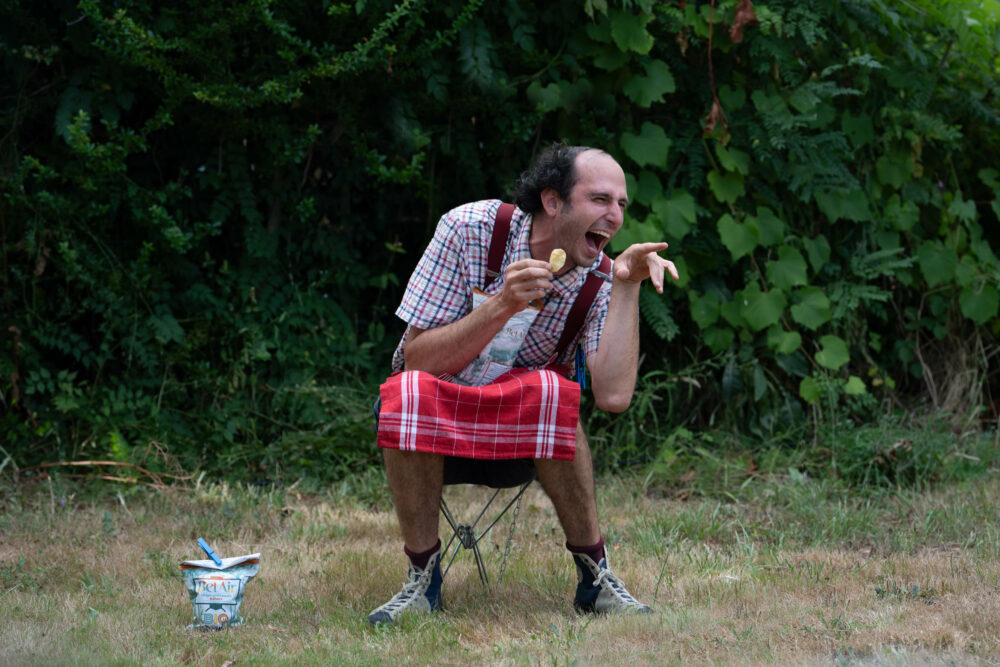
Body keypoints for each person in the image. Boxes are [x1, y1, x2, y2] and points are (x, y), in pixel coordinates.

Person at [368, 143, 679, 625]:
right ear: (553, 201)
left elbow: (614, 397)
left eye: (621, 204)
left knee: (554, 391)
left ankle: (595, 581)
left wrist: (626, 285)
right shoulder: (469, 229)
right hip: (431, 425)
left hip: (523, 439)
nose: (615, 216)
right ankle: (422, 583)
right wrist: (501, 304)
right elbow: (417, 360)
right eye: (600, 199)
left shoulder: (600, 278)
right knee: (408, 390)